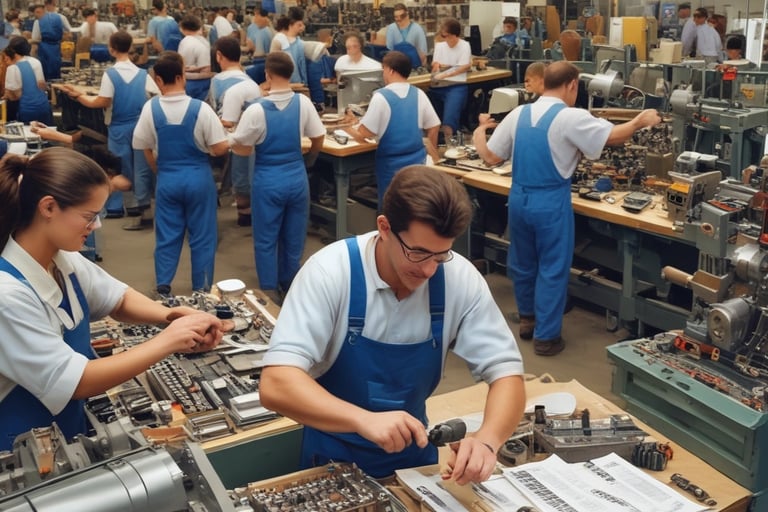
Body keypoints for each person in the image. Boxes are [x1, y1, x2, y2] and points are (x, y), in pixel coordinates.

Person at [259, 165, 526, 481]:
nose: (429, 270)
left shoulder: (458, 278)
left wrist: (487, 441)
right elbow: (276, 383)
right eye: (418, 253)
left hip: (414, 458)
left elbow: (508, 374)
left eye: (440, 256)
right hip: (331, 460)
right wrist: (361, 419)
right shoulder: (331, 273)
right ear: (384, 227)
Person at [0, 146, 225, 450]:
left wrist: (170, 316)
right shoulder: (8, 295)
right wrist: (167, 341)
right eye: (89, 216)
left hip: (62, 430)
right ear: (49, 207)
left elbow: (117, 299)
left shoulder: (61, 258)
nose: (97, 226)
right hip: (19, 444)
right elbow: (77, 382)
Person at [473, 61, 661, 356]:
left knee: (522, 261)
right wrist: (639, 120)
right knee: (552, 267)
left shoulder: (518, 113)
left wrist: (478, 134)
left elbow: (491, 158)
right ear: (572, 84)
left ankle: (527, 320)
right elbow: (611, 136)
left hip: (519, 198)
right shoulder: (570, 117)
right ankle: (546, 339)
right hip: (550, 202)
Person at [229, 52, 324, 304]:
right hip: (296, 177)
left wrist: (231, 139)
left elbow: (243, 148)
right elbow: (318, 137)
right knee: (294, 236)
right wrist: (310, 160)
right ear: (291, 74)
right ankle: (291, 285)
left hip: (268, 179)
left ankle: (270, 291)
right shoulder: (303, 103)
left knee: (266, 238)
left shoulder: (256, 110)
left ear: (267, 75)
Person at [132, 51, 229, 296]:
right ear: (181, 77)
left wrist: (160, 171)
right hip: (198, 177)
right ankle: (202, 288)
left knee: (167, 234)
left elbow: (144, 147)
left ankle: (164, 286)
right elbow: (218, 149)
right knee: (203, 236)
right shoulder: (202, 109)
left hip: (168, 178)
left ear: (160, 80)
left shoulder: (150, 109)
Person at [61, 31, 160, 229]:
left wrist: (78, 96)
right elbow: (156, 96)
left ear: (111, 49)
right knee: (140, 167)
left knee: (116, 166)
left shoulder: (111, 74)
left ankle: (115, 207)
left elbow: (103, 101)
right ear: (131, 46)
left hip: (119, 126)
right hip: (140, 125)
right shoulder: (142, 74)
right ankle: (140, 207)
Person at [344, 51, 439, 205]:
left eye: (383, 69)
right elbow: (434, 126)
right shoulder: (419, 94)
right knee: (415, 207)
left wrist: (348, 127)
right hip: (417, 162)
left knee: (391, 209)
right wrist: (431, 155)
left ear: (390, 70)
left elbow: (365, 133)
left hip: (392, 167)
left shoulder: (381, 96)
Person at [210, 36, 262, 227]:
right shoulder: (251, 82)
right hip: (254, 142)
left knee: (241, 180)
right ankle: (246, 213)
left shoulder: (218, 82)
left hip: (235, 141)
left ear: (219, 56)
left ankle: (244, 213)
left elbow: (226, 122)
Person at [429, 18, 471, 141]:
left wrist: (444, 73)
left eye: (446, 36)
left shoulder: (464, 45)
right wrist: (446, 68)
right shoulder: (440, 46)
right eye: (442, 36)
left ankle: (450, 143)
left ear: (455, 35)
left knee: (449, 120)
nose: (444, 39)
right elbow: (436, 65)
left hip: (456, 85)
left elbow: (463, 67)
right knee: (432, 120)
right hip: (438, 87)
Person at [2, 36, 53, 126]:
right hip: (44, 108)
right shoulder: (36, 61)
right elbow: (41, 85)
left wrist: (6, 96)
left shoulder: (12, 68)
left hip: (26, 113)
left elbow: (15, 97)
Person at [32, 0, 71, 80]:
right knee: (57, 71)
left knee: (45, 72)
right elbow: (70, 32)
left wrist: (33, 56)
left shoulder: (38, 21)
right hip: (58, 48)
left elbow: (35, 39)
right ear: (55, 4)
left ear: (45, 6)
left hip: (43, 49)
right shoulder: (61, 18)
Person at [270, 7, 308, 87]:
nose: (303, 27)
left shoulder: (299, 42)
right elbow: (272, 66)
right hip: (282, 84)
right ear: (291, 25)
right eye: (299, 25)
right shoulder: (279, 39)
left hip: (299, 83)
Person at [178, 14, 212, 101]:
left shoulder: (184, 42)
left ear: (182, 28)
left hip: (189, 83)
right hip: (202, 83)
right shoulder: (204, 42)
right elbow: (206, 70)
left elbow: (181, 66)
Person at [385, 3, 427, 68]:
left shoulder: (417, 29)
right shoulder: (391, 29)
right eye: (396, 17)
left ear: (407, 14)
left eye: (401, 16)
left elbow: (422, 54)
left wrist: (422, 68)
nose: (399, 19)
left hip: (414, 68)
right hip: (397, 68)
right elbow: (390, 51)